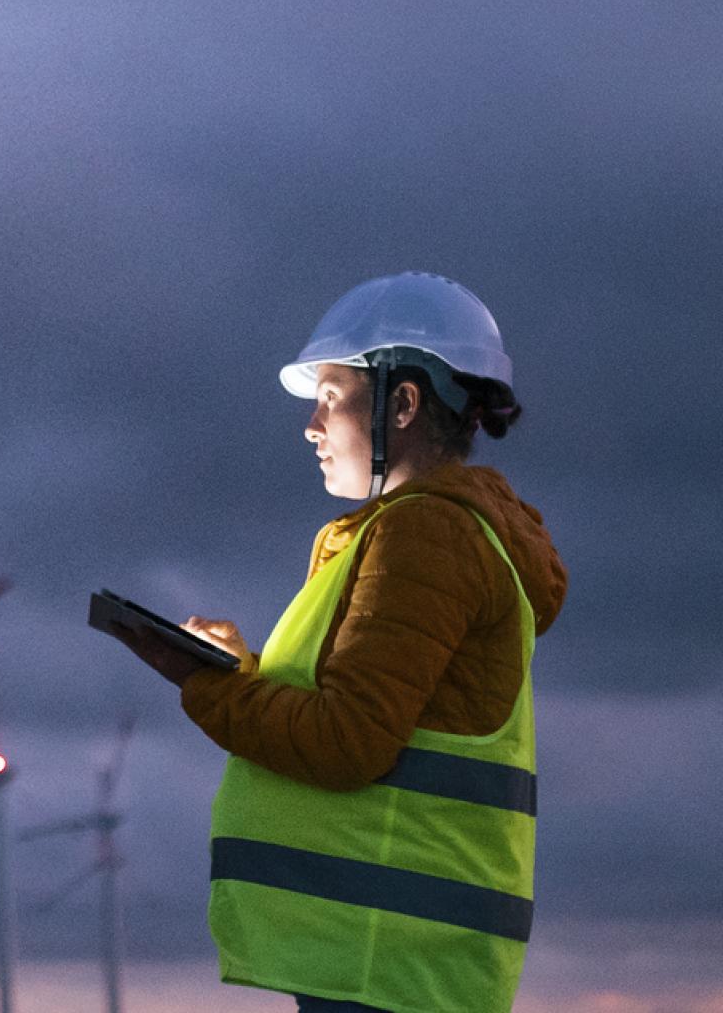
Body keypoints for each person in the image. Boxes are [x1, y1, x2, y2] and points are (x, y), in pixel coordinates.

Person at [102, 272, 567, 1013]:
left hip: (387, 967)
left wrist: (210, 686)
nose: (311, 426)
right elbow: (374, 714)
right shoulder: (424, 534)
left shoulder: (427, 534)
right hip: (390, 964)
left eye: (329, 397)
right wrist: (247, 672)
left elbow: (349, 741)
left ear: (404, 403)